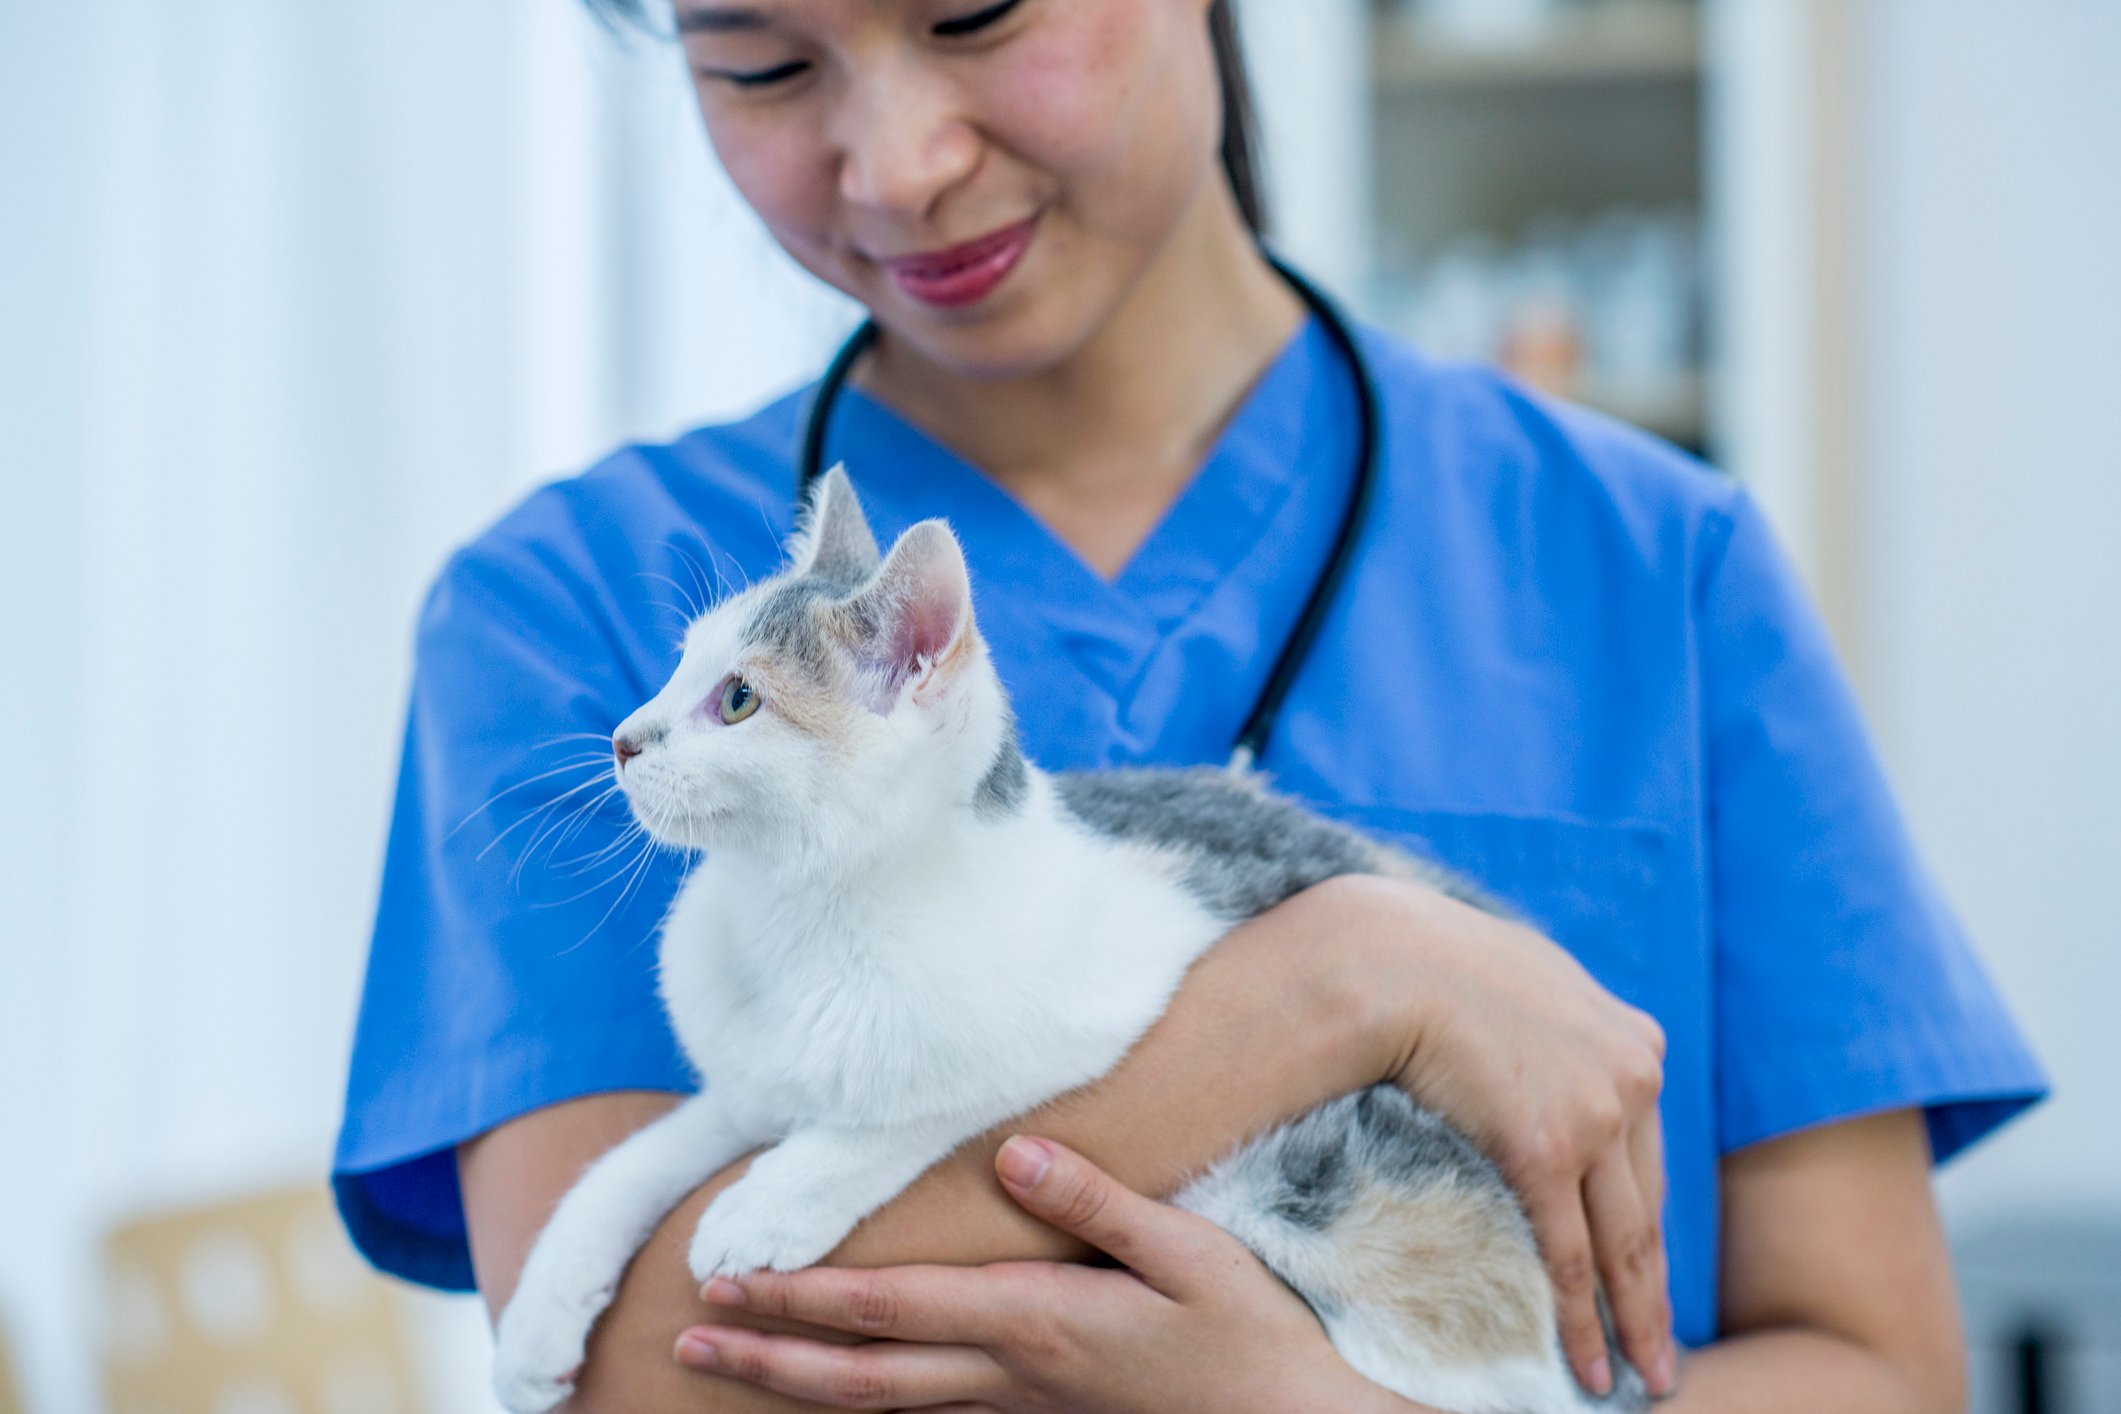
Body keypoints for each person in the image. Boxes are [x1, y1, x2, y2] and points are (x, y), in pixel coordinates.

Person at [333, 2, 2046, 1410]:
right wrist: (1332, 986)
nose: (902, 164)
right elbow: (635, 1376)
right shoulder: (558, 614)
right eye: (763, 65)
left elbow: (1874, 1366)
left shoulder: (1648, 562)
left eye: (977, 15)